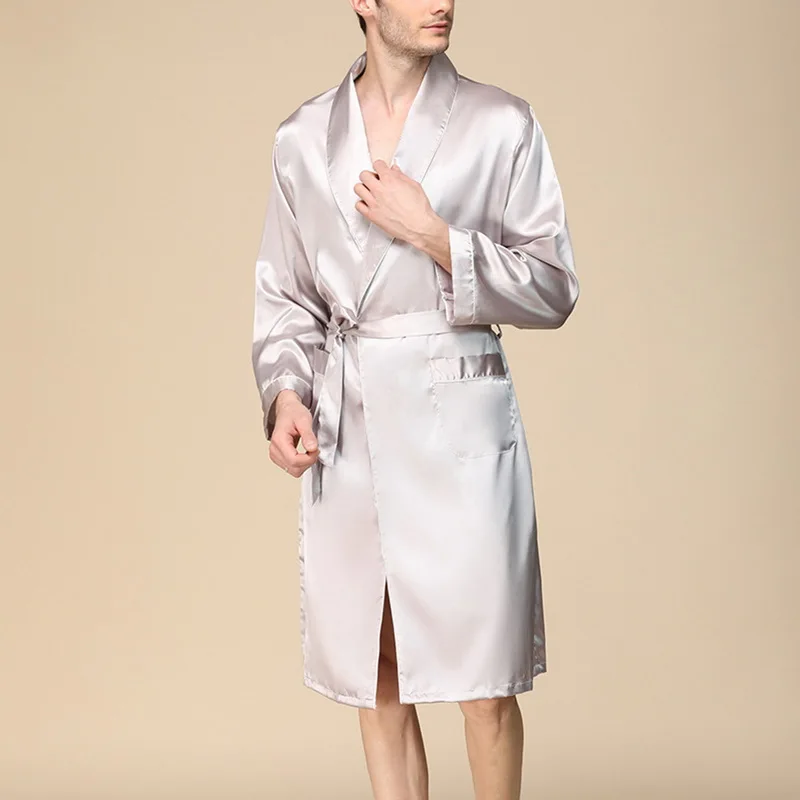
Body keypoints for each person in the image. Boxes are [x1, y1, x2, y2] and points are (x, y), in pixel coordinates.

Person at [251, 1, 579, 796]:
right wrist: (287, 393)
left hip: (456, 423)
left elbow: (553, 286)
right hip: (351, 425)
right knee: (380, 672)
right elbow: (287, 297)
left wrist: (434, 234)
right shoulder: (303, 139)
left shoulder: (500, 124)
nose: (444, 2)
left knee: (484, 684)